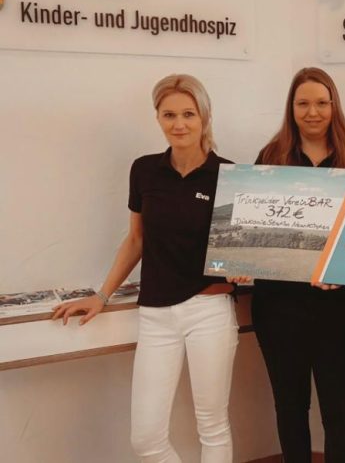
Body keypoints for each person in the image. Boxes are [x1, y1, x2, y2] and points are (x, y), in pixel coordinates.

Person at [52, 74, 248, 463]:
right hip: (156, 314)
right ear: (157, 117)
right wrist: (101, 296)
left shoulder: (230, 175)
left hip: (208, 309)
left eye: (188, 114)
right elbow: (136, 241)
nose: (179, 124)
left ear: (204, 117)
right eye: (169, 114)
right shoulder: (143, 170)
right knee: (146, 439)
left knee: (212, 426)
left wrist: (241, 268)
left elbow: (239, 250)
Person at [252, 67, 345, 463]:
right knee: (290, 407)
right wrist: (241, 259)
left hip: (336, 308)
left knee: (340, 411)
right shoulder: (270, 158)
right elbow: (255, 232)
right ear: (291, 108)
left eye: (321, 103)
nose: (312, 112)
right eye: (303, 103)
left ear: (334, 106)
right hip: (278, 308)